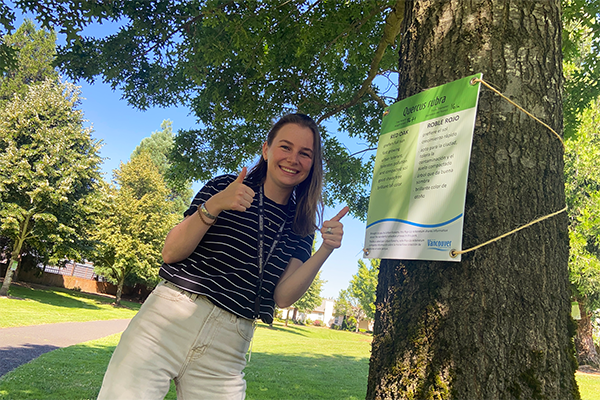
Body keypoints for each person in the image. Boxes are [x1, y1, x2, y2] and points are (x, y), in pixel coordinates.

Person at [97, 113, 348, 400]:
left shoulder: (301, 225)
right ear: (266, 149)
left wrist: (326, 249)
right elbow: (170, 252)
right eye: (285, 147)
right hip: (168, 318)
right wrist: (215, 205)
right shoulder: (225, 186)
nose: (293, 159)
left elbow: (283, 297)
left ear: (313, 164)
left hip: (231, 342)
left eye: (305, 153)